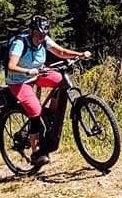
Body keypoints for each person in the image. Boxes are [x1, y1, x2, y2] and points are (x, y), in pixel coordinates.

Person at [5, 16, 91, 160]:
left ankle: (51, 114)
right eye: (38, 35)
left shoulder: (44, 40)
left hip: (38, 73)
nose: (41, 38)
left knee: (61, 80)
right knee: (35, 111)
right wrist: (27, 71)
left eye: (43, 35)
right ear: (31, 32)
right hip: (19, 81)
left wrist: (80, 55)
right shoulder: (20, 43)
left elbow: (61, 52)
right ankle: (36, 151)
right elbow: (11, 66)